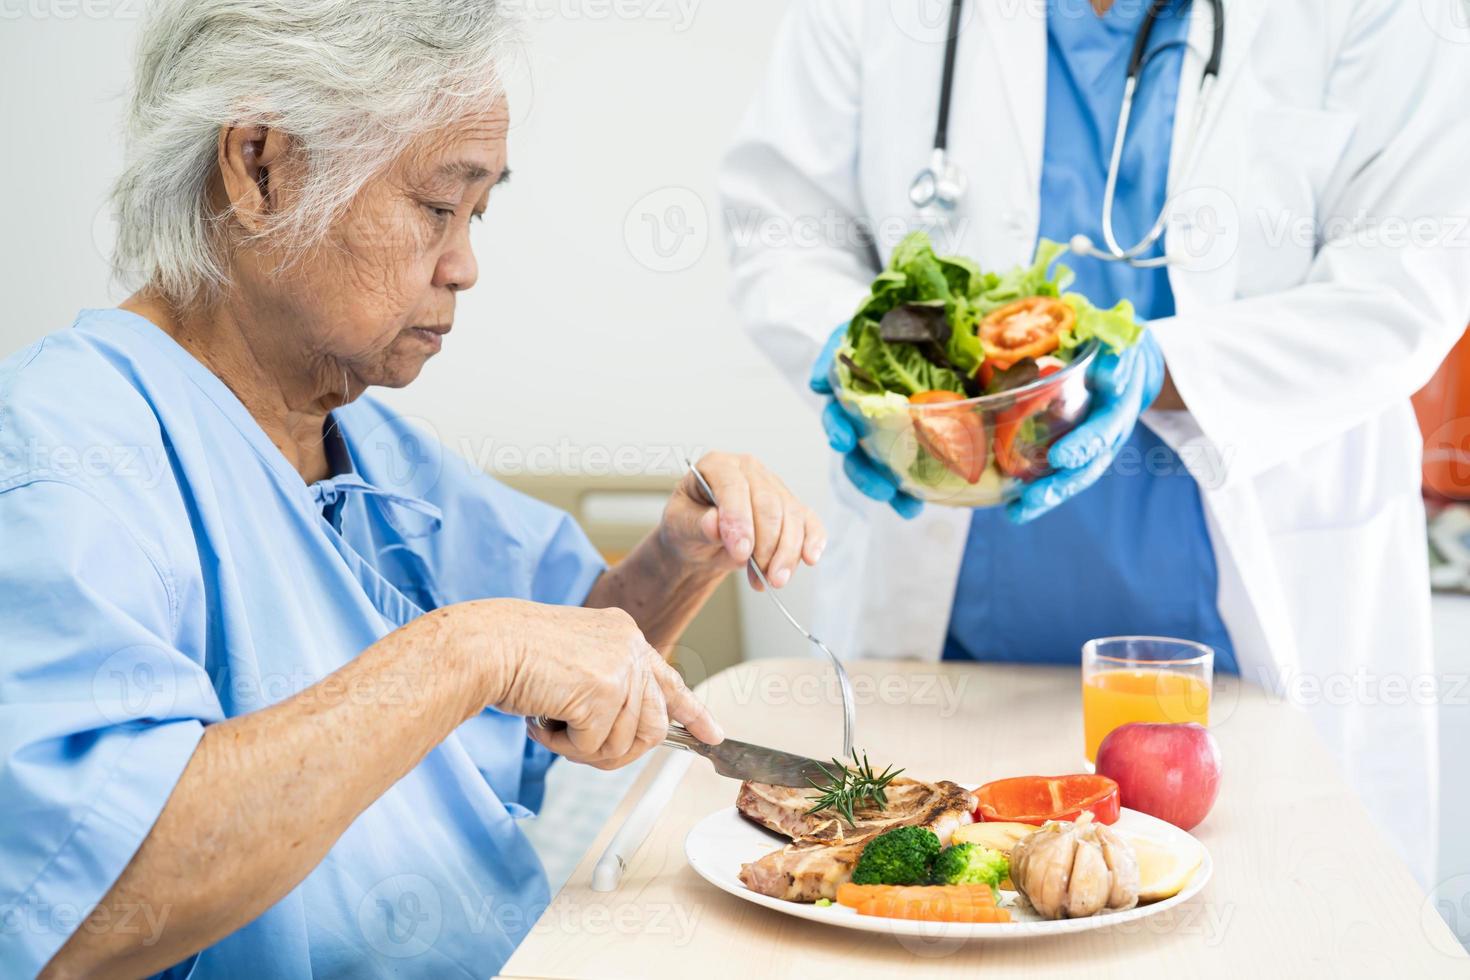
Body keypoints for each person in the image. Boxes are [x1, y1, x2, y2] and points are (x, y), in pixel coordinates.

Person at [0, 2, 827, 976]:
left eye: (480, 214)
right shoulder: (66, 453)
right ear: (259, 165)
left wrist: (679, 559)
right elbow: (86, 903)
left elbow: (573, 671)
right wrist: (466, 650)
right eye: (440, 204)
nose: (466, 264)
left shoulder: (369, 445)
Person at [721, 0, 1470, 885]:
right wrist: (868, 356)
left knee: (1275, 915)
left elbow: (1411, 276)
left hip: (1258, 654)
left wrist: (1162, 365)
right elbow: (783, 224)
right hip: (951, 648)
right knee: (943, 897)